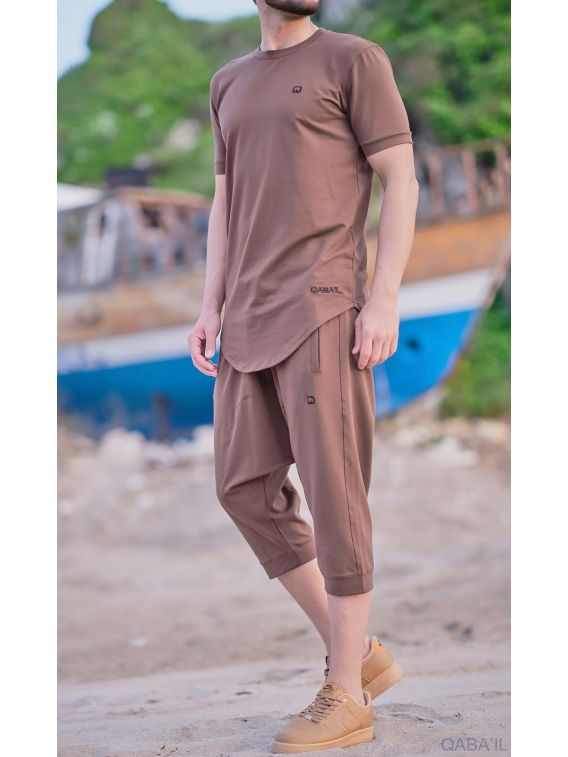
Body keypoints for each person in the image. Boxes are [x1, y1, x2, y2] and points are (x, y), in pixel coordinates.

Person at [189, 0, 418, 752]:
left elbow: (401, 180)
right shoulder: (228, 82)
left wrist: (383, 299)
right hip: (246, 316)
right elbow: (226, 202)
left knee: (335, 495)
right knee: (242, 488)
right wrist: (210, 304)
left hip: (324, 305)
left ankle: (346, 694)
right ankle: (360, 652)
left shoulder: (354, 60)